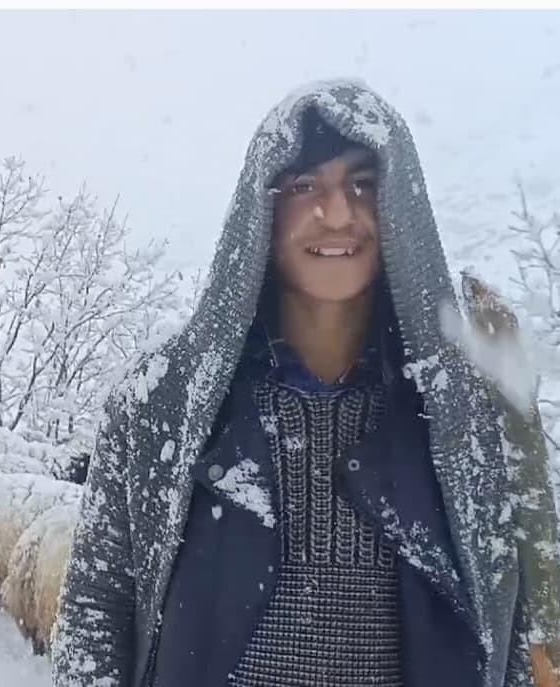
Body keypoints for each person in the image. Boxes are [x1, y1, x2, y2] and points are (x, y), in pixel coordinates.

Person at [50, 79, 560, 687]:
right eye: (305, 186)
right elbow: (97, 611)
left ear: (402, 204)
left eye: (362, 185)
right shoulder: (161, 403)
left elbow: (514, 635)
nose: (337, 213)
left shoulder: (470, 416)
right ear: (261, 209)